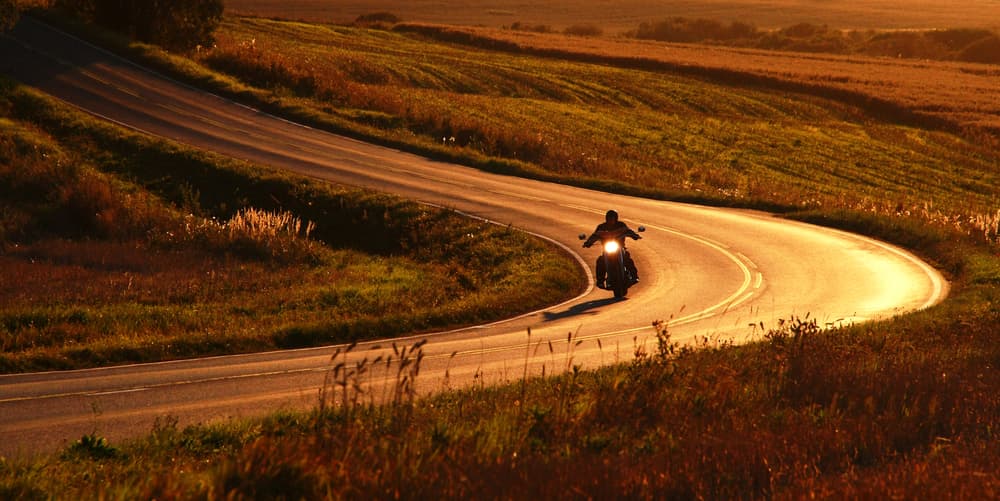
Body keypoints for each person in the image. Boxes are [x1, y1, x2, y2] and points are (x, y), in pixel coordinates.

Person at [582, 210, 641, 289]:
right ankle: (600, 281)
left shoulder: (621, 225)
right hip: (607, 249)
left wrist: (635, 235)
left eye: (612, 218)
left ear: (616, 218)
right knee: (600, 261)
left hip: (620, 247)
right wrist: (588, 242)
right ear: (606, 218)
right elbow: (594, 235)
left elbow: (628, 231)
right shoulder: (601, 227)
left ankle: (634, 276)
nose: (610, 220)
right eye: (609, 218)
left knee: (627, 258)